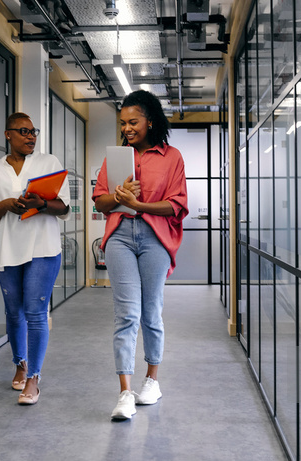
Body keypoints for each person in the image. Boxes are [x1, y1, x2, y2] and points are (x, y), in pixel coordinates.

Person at [92, 90, 188, 420]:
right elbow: (99, 202)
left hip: (155, 237)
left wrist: (140, 205)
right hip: (119, 236)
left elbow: (177, 206)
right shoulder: (118, 156)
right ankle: (124, 392)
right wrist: (116, 196)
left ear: (150, 120)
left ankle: (152, 381)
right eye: (123, 123)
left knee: (151, 312)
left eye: (134, 122)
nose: (128, 128)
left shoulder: (171, 157)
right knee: (127, 313)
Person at [0, 112, 70, 405]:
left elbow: (64, 207)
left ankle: (34, 379)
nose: (31, 137)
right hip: (8, 250)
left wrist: (40, 202)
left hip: (43, 248)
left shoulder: (48, 163)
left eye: (34, 132)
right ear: (8, 135)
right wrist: (6, 204)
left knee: (35, 313)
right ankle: (20, 363)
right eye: (24, 131)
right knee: (14, 312)